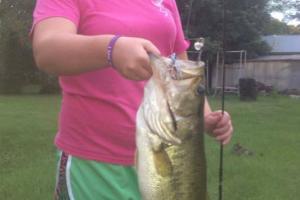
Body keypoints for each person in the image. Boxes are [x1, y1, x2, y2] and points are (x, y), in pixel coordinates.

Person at [31, 0, 233, 199]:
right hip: (95, 160)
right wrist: (111, 49)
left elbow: (181, 65)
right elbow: (46, 50)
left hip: (170, 150)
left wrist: (203, 116)